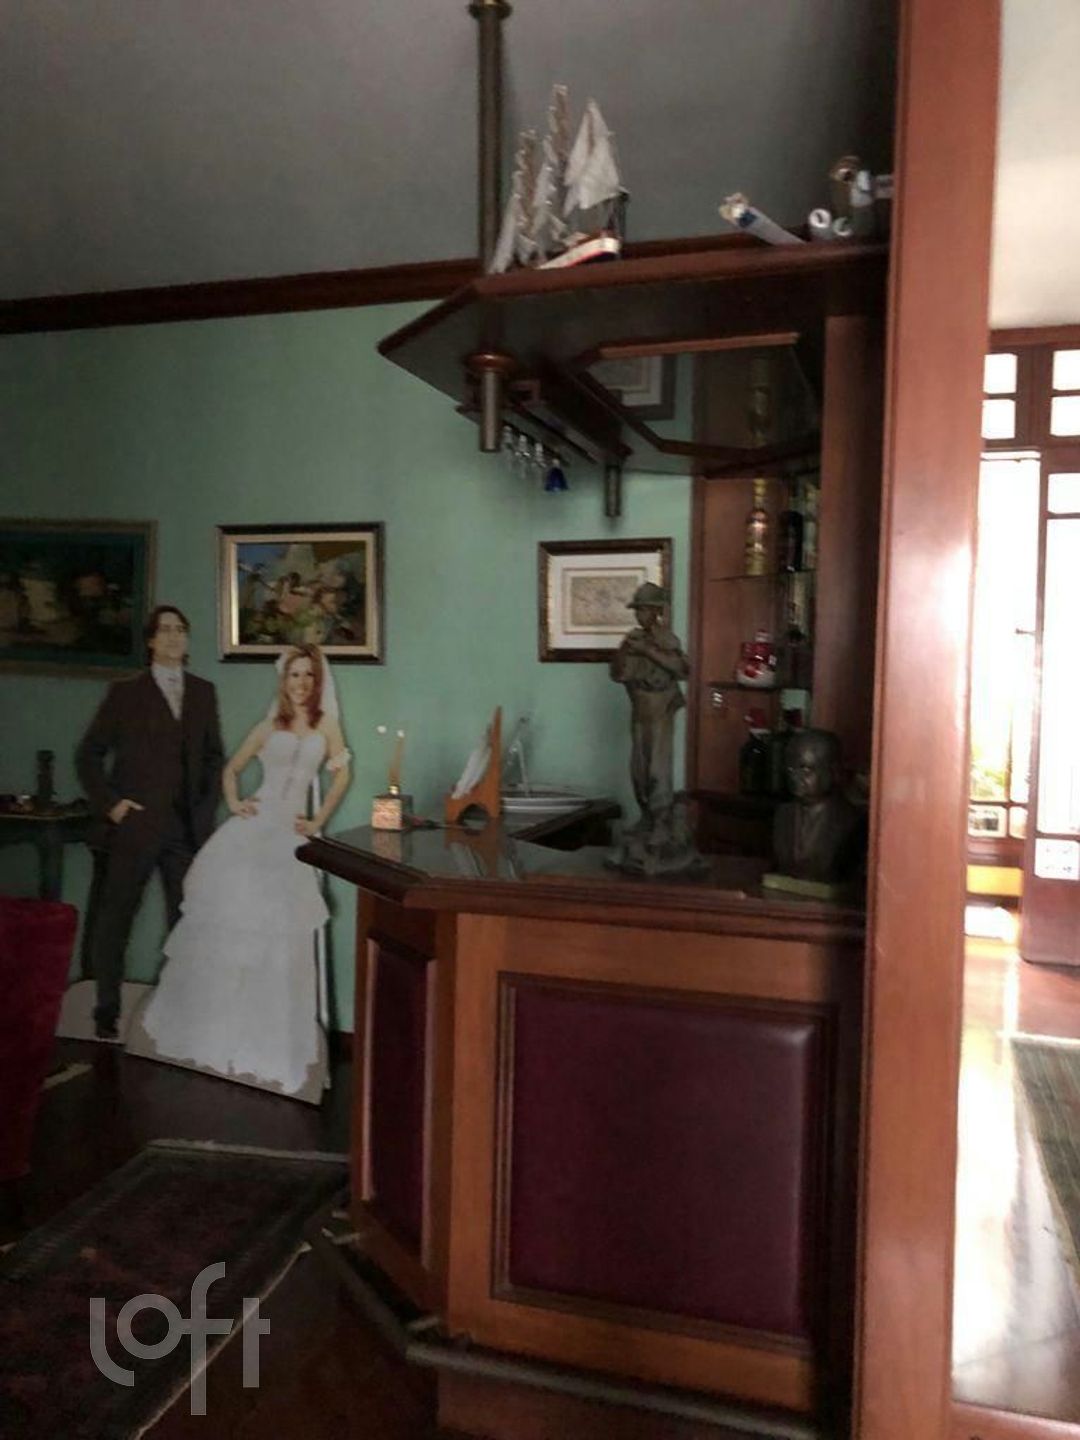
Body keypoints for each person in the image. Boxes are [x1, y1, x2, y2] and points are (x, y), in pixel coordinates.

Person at [125, 643, 351, 1100]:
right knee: (233, 920)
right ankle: (217, 1026)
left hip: (291, 832)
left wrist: (318, 821)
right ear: (284, 681)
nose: (301, 683)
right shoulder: (269, 726)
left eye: (308, 675)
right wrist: (235, 802)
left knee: (278, 924)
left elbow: (342, 775)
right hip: (255, 826)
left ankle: (268, 1033)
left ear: (317, 681)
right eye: (294, 675)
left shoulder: (326, 725)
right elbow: (232, 769)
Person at [76, 605, 224, 1040]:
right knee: (116, 918)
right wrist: (113, 805)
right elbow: (88, 754)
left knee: (186, 921)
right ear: (151, 641)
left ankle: (178, 1011)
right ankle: (106, 1009)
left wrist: (203, 814)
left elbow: (214, 758)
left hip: (185, 830)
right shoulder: (126, 694)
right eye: (166, 629)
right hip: (136, 826)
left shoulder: (203, 692)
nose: (175, 636)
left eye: (181, 629)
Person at [609, 581, 690, 833]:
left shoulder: (666, 639)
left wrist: (648, 650)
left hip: (660, 706)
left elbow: (681, 669)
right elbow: (618, 674)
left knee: (658, 767)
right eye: (637, 610)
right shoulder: (634, 639)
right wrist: (625, 650)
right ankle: (646, 815)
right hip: (639, 706)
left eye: (644, 609)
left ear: (656, 611)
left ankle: (661, 820)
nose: (640, 615)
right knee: (639, 767)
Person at [771, 728, 866, 883]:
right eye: (791, 769)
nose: (795, 777)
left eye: (806, 770)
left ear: (834, 771)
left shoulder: (851, 820)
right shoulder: (783, 814)